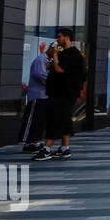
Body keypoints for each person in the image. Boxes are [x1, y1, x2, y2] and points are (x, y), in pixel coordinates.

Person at [34, 28, 85, 161]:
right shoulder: (67, 53)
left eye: (59, 37)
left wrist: (55, 55)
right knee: (64, 119)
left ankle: (47, 148)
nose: (57, 39)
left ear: (67, 38)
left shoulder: (73, 54)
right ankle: (65, 148)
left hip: (64, 93)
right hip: (59, 92)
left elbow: (60, 69)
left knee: (55, 119)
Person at [20, 44, 54, 153]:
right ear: (51, 48)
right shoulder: (41, 59)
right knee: (33, 119)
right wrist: (53, 80)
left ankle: (35, 141)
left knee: (40, 120)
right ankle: (28, 142)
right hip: (37, 95)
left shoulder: (49, 60)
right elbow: (39, 75)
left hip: (44, 95)